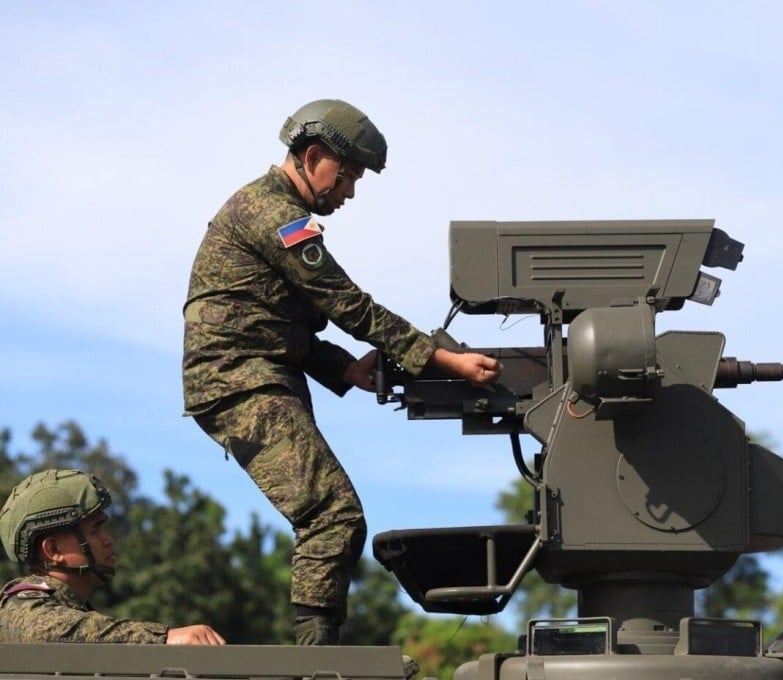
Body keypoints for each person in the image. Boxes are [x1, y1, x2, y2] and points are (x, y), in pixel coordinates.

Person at [182, 98, 502, 645]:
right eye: (348, 175)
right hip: (239, 382)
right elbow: (347, 304)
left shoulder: (276, 213)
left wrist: (346, 369)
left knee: (332, 515)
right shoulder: (274, 216)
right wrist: (443, 359)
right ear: (312, 157)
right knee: (333, 516)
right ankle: (316, 656)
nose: (349, 192)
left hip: (254, 375)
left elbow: (277, 322)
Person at [0, 468, 225, 644]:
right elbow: (45, 632)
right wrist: (164, 638)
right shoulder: (22, 605)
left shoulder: (77, 611)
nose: (108, 540)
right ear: (53, 550)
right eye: (96, 530)